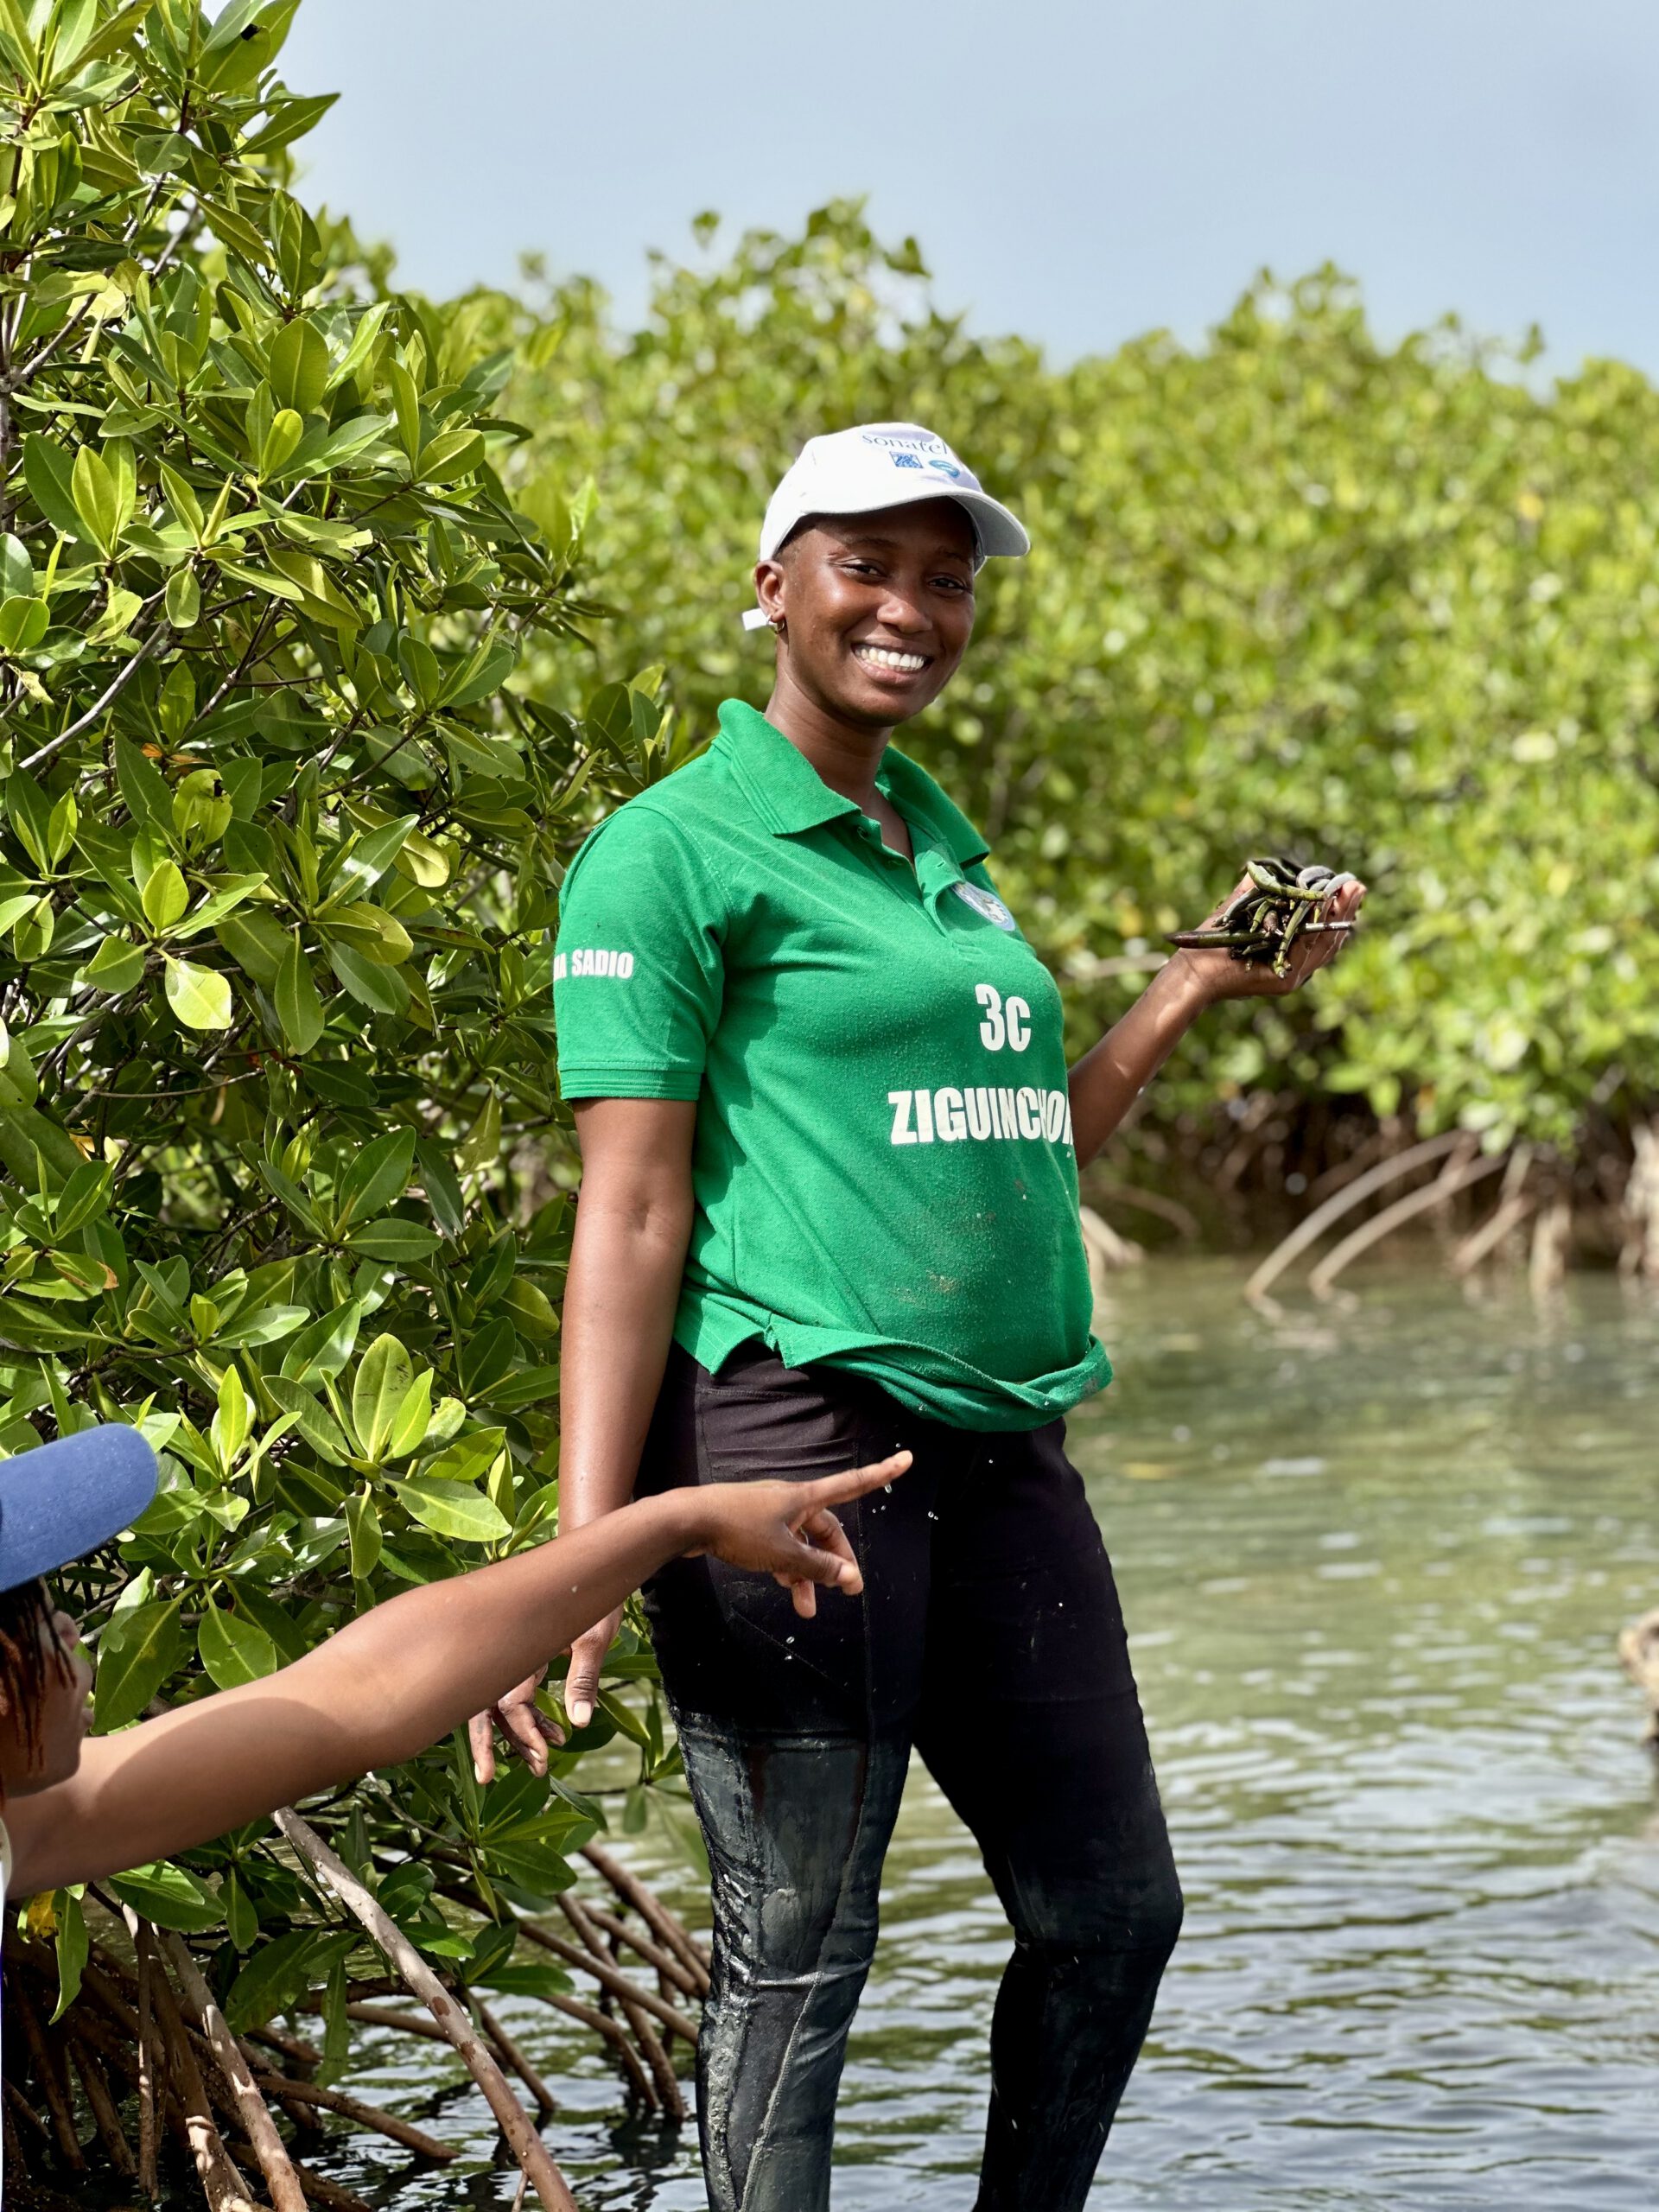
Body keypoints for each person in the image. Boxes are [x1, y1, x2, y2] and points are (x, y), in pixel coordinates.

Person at [473, 421, 1366, 2212]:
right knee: (799, 1954)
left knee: (1113, 1912)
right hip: (786, 1443)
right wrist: (583, 1553)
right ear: (773, 586)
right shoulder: (669, 852)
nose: (911, 608)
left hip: (1003, 1443)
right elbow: (629, 1212)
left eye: (945, 579)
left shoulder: (942, 853)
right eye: (866, 565)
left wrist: (1194, 981)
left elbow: (1019, 1143)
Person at [0, 1425, 906, 1912]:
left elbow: (364, 1689)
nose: (73, 1631)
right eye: (38, 1614)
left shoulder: (26, 1825)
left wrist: (683, 1521)